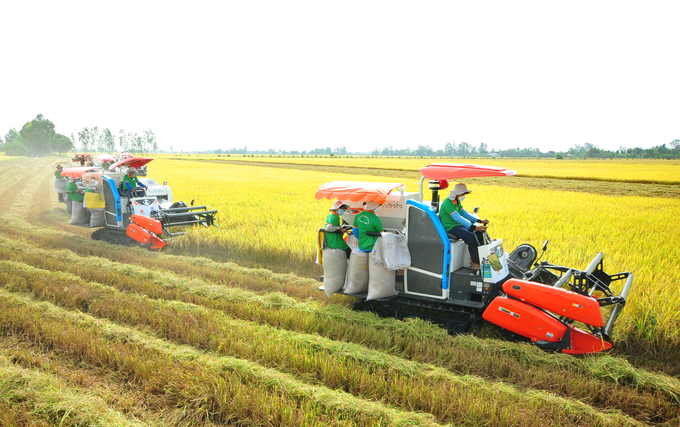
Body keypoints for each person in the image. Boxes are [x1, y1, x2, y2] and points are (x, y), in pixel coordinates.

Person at [439, 183, 489, 270]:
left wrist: (479, 221)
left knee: (480, 235)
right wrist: (475, 227)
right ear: (458, 194)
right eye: (463, 194)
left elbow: (464, 214)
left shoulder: (456, 201)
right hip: (450, 227)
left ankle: (482, 258)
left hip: (458, 225)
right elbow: (458, 218)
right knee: (472, 238)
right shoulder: (448, 203)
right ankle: (474, 261)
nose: (464, 196)